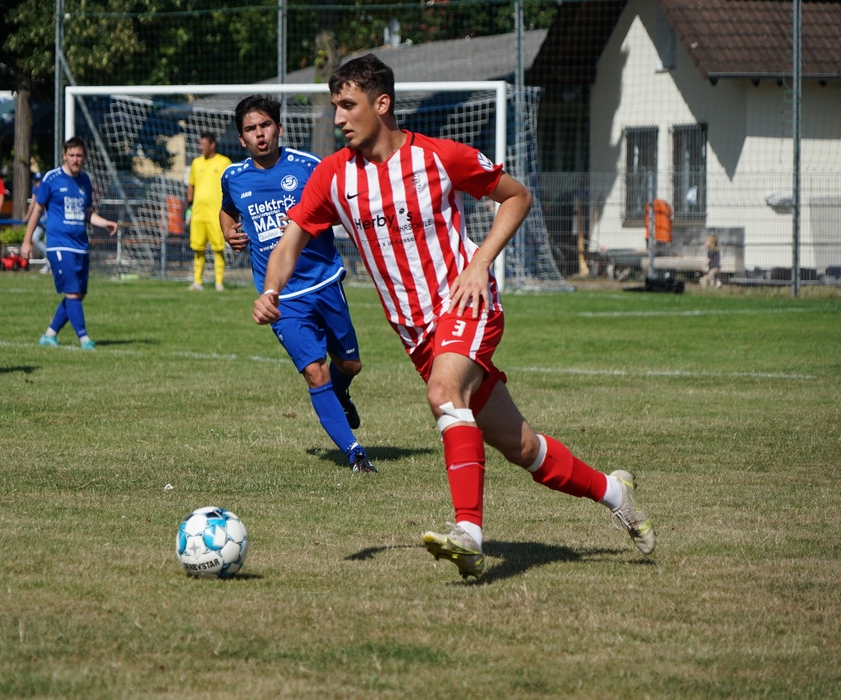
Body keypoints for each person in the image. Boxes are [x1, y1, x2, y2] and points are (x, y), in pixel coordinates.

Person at [254, 54, 656, 579]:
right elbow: (291, 241)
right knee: (522, 446)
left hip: (467, 303)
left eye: (347, 106)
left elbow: (516, 196)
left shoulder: (440, 157)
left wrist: (480, 263)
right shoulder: (333, 176)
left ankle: (468, 534)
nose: (338, 119)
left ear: (382, 104)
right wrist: (271, 288)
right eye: (334, 107)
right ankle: (614, 492)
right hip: (417, 332)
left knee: (444, 394)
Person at [220, 95, 374, 473]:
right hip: (281, 296)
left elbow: (343, 206)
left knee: (349, 364)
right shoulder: (234, 177)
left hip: (324, 281)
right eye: (251, 130)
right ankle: (355, 454)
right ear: (241, 139)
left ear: (279, 129)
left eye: (265, 126)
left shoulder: (310, 167)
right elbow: (227, 209)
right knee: (314, 370)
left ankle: (340, 393)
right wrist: (229, 232)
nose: (260, 135)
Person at [21, 136, 118, 350]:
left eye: (79, 155)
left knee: (78, 294)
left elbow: (87, 213)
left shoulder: (85, 181)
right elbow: (37, 210)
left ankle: (50, 334)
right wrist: (27, 241)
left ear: (84, 157)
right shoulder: (51, 178)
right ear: (64, 155)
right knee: (72, 292)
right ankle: (84, 339)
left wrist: (105, 223)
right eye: (71, 155)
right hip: (59, 244)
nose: (75, 159)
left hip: (80, 244)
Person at [186, 132, 231, 291]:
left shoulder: (224, 162)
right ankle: (197, 282)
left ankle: (219, 282)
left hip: (216, 215)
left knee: (218, 249)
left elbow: (230, 185)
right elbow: (191, 185)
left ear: (212, 145)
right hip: (198, 214)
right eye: (200, 144)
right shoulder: (196, 163)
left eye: (204, 144)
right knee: (198, 249)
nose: (201, 147)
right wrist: (189, 208)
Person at [23, 171, 50, 273]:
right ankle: (50, 257)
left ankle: (50, 263)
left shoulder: (46, 187)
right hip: (39, 219)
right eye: (36, 180)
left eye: (40, 180)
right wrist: (27, 216)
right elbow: (33, 204)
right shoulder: (35, 188)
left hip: (48, 219)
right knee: (34, 238)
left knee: (48, 242)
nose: (38, 183)